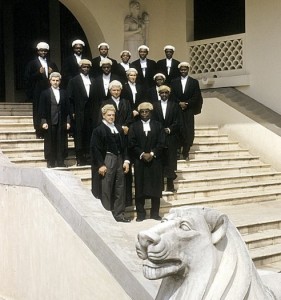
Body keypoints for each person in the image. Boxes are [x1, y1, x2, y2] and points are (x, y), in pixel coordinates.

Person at [91, 104, 131, 223]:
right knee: (106, 187)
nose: (111, 117)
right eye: (109, 115)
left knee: (120, 186)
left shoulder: (118, 128)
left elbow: (125, 146)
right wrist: (101, 165)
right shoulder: (98, 130)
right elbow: (95, 149)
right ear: (103, 115)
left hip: (119, 158)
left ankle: (119, 214)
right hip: (107, 159)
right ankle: (106, 215)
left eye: (113, 115)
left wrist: (126, 160)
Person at [128, 102, 165, 221]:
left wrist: (152, 153)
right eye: (142, 112)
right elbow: (132, 143)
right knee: (140, 187)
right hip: (140, 161)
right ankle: (141, 214)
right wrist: (142, 154)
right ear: (139, 113)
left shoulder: (158, 125)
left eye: (147, 112)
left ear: (150, 112)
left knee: (156, 187)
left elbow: (161, 142)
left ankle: (155, 213)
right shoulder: (134, 126)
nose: (144, 114)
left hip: (155, 161)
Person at [101, 80, 133, 206]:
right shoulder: (105, 103)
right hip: (112, 138)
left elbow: (130, 116)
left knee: (122, 181)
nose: (116, 92)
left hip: (124, 135)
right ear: (110, 91)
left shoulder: (126, 102)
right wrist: (119, 128)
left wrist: (126, 127)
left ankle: (124, 204)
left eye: (118, 90)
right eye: (113, 90)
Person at [24, 42, 58, 139]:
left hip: (49, 90)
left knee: (48, 109)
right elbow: (27, 78)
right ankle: (38, 130)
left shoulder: (51, 63)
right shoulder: (32, 63)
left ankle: (47, 129)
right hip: (37, 91)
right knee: (38, 110)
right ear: (38, 51)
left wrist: (53, 73)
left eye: (45, 51)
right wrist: (38, 73)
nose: (43, 52)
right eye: (41, 50)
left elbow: (58, 76)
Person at [67, 59, 97, 166]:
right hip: (79, 112)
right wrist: (72, 112)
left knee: (89, 134)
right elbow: (70, 99)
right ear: (80, 68)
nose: (86, 69)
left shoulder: (93, 80)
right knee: (79, 135)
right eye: (84, 67)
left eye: (88, 67)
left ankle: (88, 156)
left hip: (90, 113)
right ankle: (80, 158)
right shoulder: (74, 81)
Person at [170, 62, 203, 160]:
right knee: (178, 130)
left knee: (188, 131)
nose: (183, 71)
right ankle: (177, 151)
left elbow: (196, 95)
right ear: (179, 70)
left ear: (188, 70)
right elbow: (172, 95)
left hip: (188, 110)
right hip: (177, 109)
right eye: (182, 70)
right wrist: (179, 103)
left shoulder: (194, 82)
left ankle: (186, 152)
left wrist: (187, 103)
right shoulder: (174, 82)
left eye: (185, 69)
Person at [38, 72, 71, 168]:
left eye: (57, 80)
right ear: (50, 81)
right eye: (53, 80)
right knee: (50, 141)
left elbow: (68, 109)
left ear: (60, 81)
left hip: (61, 121)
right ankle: (51, 161)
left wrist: (68, 121)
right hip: (50, 120)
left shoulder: (64, 93)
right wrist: (43, 122)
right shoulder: (45, 93)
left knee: (61, 141)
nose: (55, 82)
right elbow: (41, 109)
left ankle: (60, 161)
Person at [152, 85, 181, 192]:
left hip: (170, 137)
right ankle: (159, 185)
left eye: (166, 93)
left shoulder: (174, 105)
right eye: (162, 93)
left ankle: (170, 184)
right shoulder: (155, 105)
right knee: (159, 160)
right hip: (158, 137)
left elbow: (178, 121)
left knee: (170, 160)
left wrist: (169, 129)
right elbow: (153, 120)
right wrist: (159, 130)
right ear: (159, 94)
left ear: (169, 94)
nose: (164, 95)